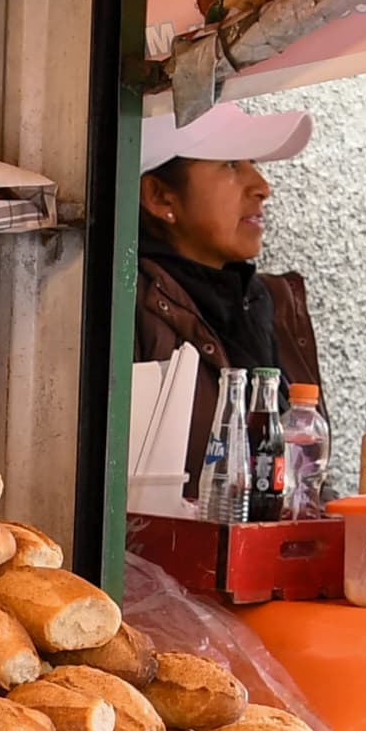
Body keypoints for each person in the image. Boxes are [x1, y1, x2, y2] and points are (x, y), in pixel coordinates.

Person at [133, 93, 313, 495]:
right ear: (161, 196)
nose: (262, 187)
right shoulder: (125, 308)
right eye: (231, 164)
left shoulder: (267, 300)